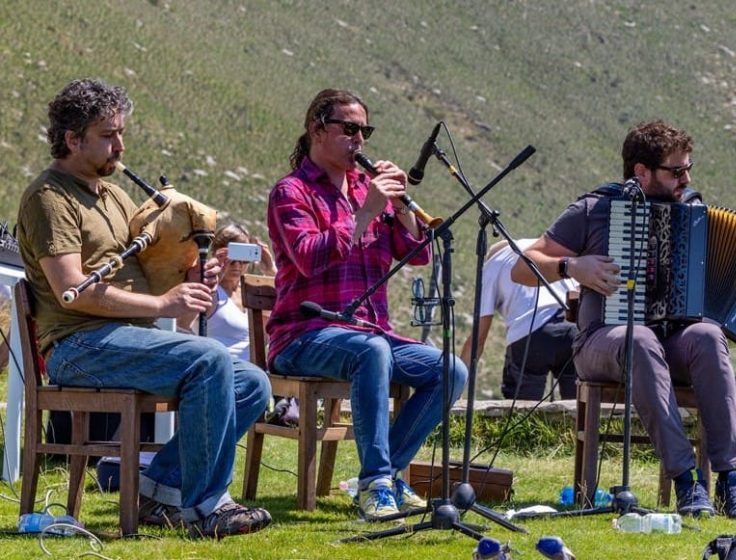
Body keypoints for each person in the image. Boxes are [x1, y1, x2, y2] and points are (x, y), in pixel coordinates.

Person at [16, 79, 273, 539]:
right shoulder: (48, 199)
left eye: (120, 132)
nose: (120, 145)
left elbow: (152, 278)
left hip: (129, 339)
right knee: (210, 358)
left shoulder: (115, 197)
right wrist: (162, 302)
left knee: (252, 382)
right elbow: (72, 289)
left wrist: (191, 280)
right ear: (72, 139)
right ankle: (207, 508)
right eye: (108, 135)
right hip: (78, 347)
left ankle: (160, 490)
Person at [512, 120, 736, 519]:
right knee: (640, 339)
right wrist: (573, 266)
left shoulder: (692, 215)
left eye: (688, 168)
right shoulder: (594, 209)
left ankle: (731, 481)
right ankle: (687, 481)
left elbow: (721, 298)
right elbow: (523, 266)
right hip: (602, 341)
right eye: (676, 171)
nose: (685, 178)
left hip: (671, 343)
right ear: (641, 171)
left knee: (707, 335)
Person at [266, 88, 468, 519]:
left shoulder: (365, 187)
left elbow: (418, 255)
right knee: (371, 352)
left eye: (365, 130)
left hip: (368, 333)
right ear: (317, 129)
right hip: (303, 336)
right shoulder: (292, 192)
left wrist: (401, 210)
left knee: (452, 369)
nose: (360, 140)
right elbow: (308, 257)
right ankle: (377, 482)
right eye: (350, 129)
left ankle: (384, 474)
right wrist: (364, 211)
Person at [460, 238, 578, 401]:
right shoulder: (545, 250)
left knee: (521, 410)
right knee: (578, 406)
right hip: (572, 329)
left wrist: (456, 387)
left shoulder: (492, 265)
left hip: (530, 334)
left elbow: (478, 338)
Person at [205, 222, 276, 361]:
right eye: (231, 258)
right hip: (220, 370)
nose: (237, 264)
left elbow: (288, 305)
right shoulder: (210, 289)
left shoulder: (255, 291)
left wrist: (270, 269)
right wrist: (214, 275)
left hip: (254, 373)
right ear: (216, 254)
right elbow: (185, 322)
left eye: (244, 258)